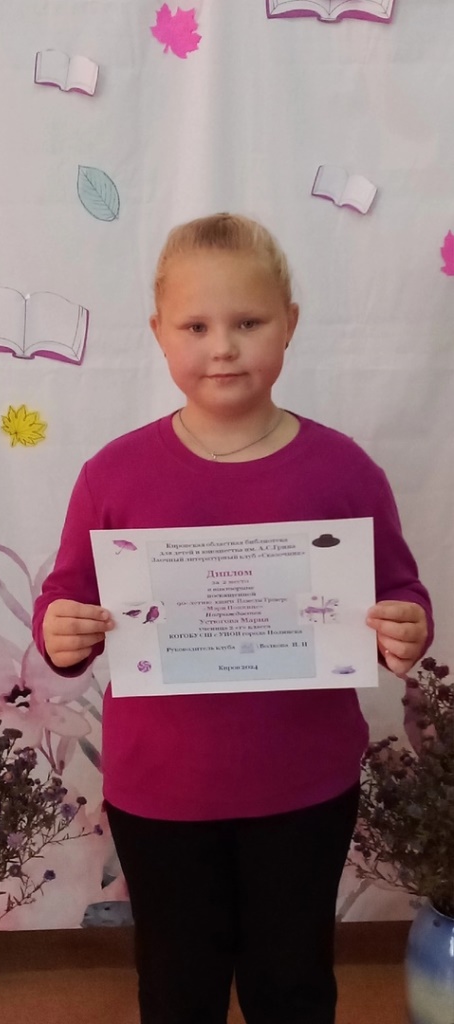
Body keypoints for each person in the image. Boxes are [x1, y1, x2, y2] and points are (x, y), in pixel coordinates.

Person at [33, 213, 433, 1024]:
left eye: (248, 322)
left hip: (304, 788)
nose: (223, 347)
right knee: (178, 991)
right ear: (159, 333)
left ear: (290, 323)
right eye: (197, 326)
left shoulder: (343, 470)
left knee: (293, 986)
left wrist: (405, 630)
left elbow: (400, 594)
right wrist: (60, 632)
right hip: (159, 793)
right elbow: (65, 603)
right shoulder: (114, 474)